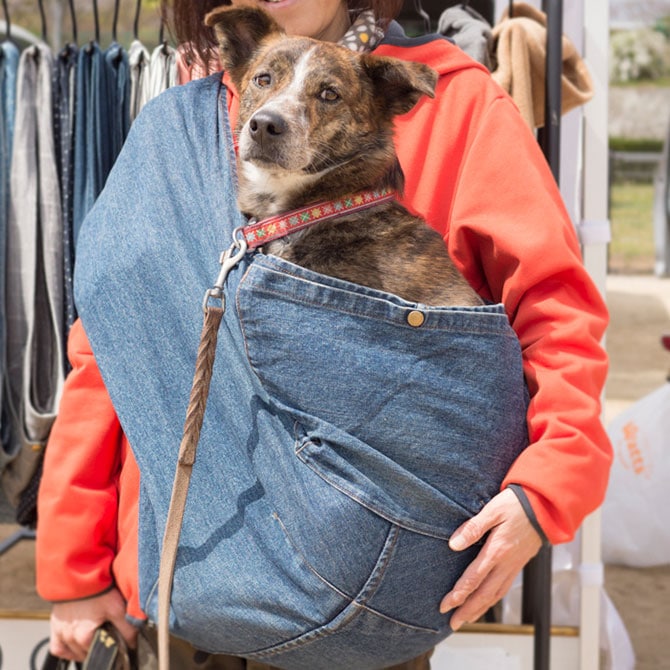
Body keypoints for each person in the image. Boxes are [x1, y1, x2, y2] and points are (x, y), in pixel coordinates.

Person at [35, 0, 612, 667]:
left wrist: (546, 490)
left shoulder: (453, 105)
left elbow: (556, 313)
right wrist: (74, 569)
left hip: (367, 585)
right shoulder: (181, 127)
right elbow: (113, 344)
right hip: (187, 572)